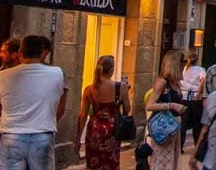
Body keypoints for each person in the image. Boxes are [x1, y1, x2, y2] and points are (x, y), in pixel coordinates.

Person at [0, 34, 67, 170]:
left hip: (12, 135)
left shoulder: (3, 76)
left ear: (19, 53)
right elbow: (59, 100)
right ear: (43, 53)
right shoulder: (57, 73)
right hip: (42, 134)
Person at [75, 54, 131, 169]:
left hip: (94, 130)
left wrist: (78, 139)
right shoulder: (121, 87)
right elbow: (127, 109)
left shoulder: (89, 89)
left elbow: (83, 116)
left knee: (94, 163)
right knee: (111, 162)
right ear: (112, 69)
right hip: (113, 131)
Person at [146, 49, 186, 170]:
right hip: (164, 127)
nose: (185, 64)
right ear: (175, 63)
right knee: (162, 161)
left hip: (174, 126)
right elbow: (150, 105)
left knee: (171, 160)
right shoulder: (162, 82)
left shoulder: (175, 82)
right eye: (182, 61)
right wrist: (171, 105)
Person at [180, 53, 206, 150]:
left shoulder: (184, 70)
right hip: (195, 97)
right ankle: (197, 145)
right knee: (197, 123)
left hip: (185, 96)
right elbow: (203, 79)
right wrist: (199, 92)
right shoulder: (200, 70)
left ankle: (180, 145)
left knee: (183, 122)